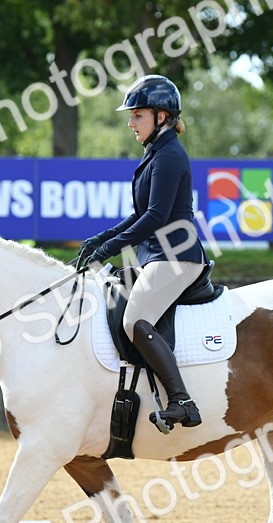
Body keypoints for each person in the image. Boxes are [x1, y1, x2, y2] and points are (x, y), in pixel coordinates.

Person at [76, 74, 207, 429]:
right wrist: (100, 238)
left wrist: (109, 248)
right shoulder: (156, 152)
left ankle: (182, 401)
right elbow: (140, 213)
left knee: (135, 319)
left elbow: (155, 217)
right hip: (157, 255)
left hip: (177, 255)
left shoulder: (168, 157)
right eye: (131, 115)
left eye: (137, 115)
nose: (130, 122)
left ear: (161, 116)